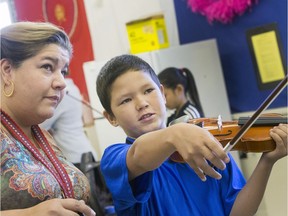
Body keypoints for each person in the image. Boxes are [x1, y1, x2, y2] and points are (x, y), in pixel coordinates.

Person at [96, 54, 287, 216]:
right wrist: (175, 133)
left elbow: (237, 212)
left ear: (163, 94)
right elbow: (138, 155)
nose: (142, 103)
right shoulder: (115, 158)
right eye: (126, 100)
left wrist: (266, 162)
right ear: (111, 117)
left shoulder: (206, 144)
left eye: (148, 90)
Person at [0, 21, 96, 216]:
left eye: (63, 71)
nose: (61, 82)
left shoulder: (43, 136)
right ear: (7, 70)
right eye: (47, 67)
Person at [40, 76, 98, 168]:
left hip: (75, 156)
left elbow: (40, 126)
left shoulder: (63, 92)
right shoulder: (72, 88)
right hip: (83, 152)